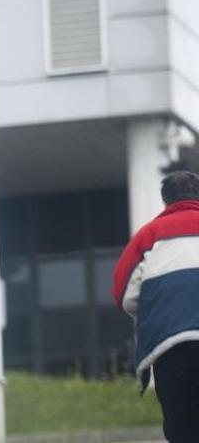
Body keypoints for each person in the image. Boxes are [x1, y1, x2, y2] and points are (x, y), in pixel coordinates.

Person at [111, 170, 199, 443]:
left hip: (171, 348)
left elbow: (124, 295)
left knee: (181, 425)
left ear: (165, 202)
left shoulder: (148, 236)